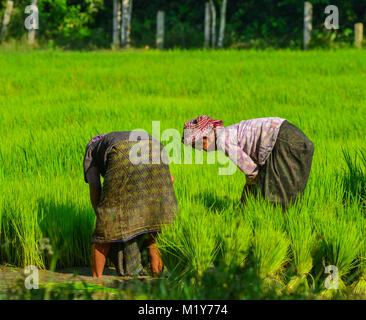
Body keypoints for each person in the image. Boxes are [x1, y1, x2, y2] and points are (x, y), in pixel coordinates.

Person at [83, 131, 177, 278]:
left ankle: (96, 281)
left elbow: (95, 186)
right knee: (154, 226)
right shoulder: (119, 137)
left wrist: (102, 218)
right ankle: (157, 279)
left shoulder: (91, 150)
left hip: (122, 152)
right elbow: (170, 179)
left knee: (104, 234)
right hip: (156, 147)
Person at [182, 116, 314, 209]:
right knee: (290, 198)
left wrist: (245, 199)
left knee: (273, 202)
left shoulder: (223, 140)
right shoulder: (230, 132)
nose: (201, 149)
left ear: (206, 137)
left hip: (282, 141)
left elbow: (252, 172)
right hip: (294, 136)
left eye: (198, 145)